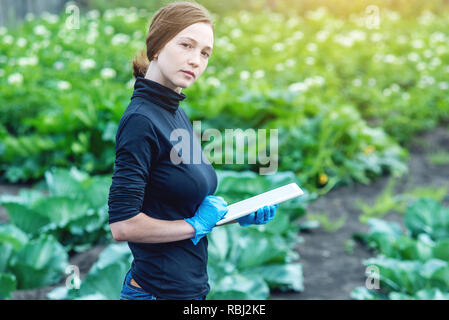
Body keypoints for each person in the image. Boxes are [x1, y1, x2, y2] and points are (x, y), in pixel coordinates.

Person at [107, 1, 278, 301]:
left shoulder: (173, 109)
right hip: (155, 293)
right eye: (186, 45)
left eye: (204, 53)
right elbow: (123, 225)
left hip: (189, 291)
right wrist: (195, 225)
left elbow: (175, 202)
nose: (196, 60)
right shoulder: (141, 121)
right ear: (157, 47)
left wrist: (235, 215)